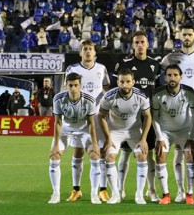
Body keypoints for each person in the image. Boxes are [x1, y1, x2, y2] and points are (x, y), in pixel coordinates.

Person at [160, 22, 194, 202]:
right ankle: (180, 191)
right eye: (183, 35)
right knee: (178, 150)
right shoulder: (171, 58)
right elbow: (160, 68)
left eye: (189, 35)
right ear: (180, 36)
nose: (186, 38)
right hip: (178, 110)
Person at [113, 31, 161, 202]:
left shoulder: (156, 65)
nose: (140, 45)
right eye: (137, 42)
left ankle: (152, 190)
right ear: (133, 45)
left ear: (148, 44)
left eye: (143, 42)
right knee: (125, 154)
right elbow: (114, 89)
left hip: (148, 116)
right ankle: (120, 189)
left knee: (148, 154)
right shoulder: (124, 64)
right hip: (129, 118)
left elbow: (159, 91)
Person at [98, 68, 152, 204]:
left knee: (142, 155)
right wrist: (108, 139)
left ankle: (139, 195)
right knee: (109, 157)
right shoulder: (109, 96)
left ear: (133, 82)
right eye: (122, 82)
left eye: (128, 81)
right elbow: (101, 116)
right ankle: (116, 194)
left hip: (134, 131)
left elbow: (148, 117)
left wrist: (143, 139)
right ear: (117, 82)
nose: (125, 85)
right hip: (115, 131)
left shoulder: (141, 96)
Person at [65, 40, 110, 202]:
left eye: (90, 49)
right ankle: (76, 189)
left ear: (95, 52)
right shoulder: (72, 69)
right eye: (85, 49)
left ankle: (102, 189)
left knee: (101, 152)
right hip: (80, 118)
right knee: (78, 152)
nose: (88, 52)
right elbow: (67, 89)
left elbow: (106, 89)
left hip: (98, 118)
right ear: (80, 52)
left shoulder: (101, 69)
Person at [47, 72, 101, 204]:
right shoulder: (58, 99)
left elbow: (91, 124)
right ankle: (56, 193)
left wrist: (94, 143)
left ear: (80, 85)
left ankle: (94, 193)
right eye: (70, 85)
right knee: (54, 156)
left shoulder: (89, 100)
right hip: (65, 131)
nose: (73, 88)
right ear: (66, 85)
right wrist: (55, 145)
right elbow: (58, 122)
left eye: (76, 85)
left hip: (83, 131)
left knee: (95, 156)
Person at [152, 64, 194, 205]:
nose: (172, 78)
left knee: (190, 157)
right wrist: (159, 137)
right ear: (165, 78)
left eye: (175, 75)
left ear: (181, 77)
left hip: (184, 130)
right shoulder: (158, 93)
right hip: (165, 132)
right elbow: (154, 117)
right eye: (169, 75)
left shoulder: (189, 92)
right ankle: (166, 194)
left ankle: (189, 194)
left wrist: (191, 137)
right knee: (160, 157)